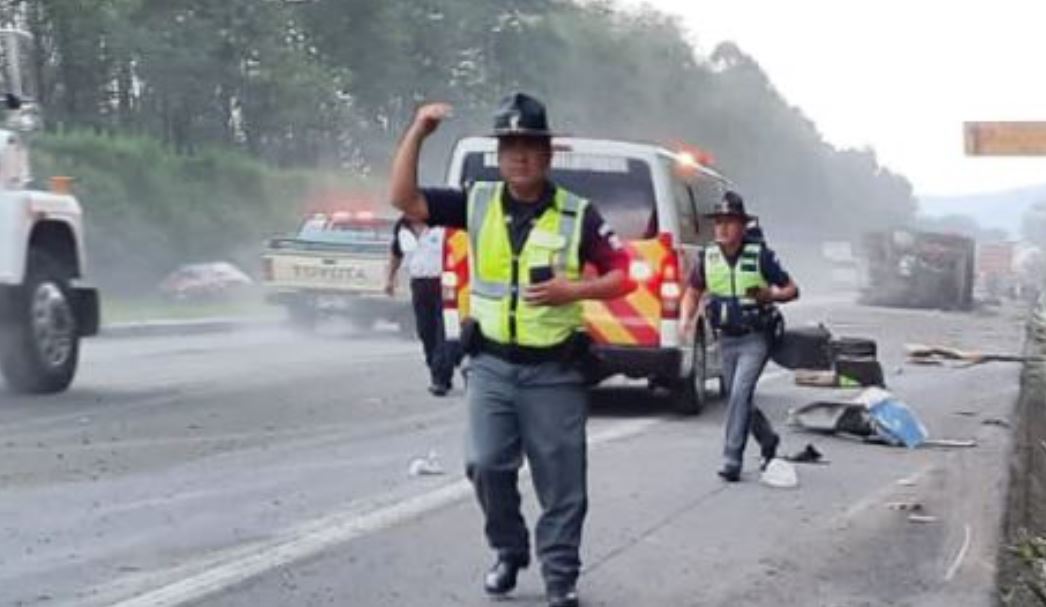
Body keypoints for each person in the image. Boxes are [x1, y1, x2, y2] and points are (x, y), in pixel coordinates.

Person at [388, 93, 629, 607]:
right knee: (484, 465)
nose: (519, 156)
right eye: (510, 146)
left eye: (529, 146)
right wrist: (418, 132)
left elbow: (623, 274)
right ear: (500, 156)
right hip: (491, 367)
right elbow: (404, 200)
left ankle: (560, 577)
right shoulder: (475, 202)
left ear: (547, 155)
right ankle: (509, 550)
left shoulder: (577, 214)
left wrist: (576, 291)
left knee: (562, 483)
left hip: (555, 371)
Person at [681, 191, 799, 482]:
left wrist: (770, 294)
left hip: (755, 337)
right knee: (738, 398)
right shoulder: (707, 257)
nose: (722, 228)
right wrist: (686, 318)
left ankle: (731, 458)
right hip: (725, 339)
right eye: (719, 222)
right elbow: (693, 290)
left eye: (730, 222)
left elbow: (792, 289)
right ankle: (767, 439)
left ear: (742, 226)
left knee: (739, 393)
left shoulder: (760, 255)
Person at [385, 215, 454, 396]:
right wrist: (390, 279)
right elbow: (396, 253)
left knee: (443, 331)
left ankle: (440, 378)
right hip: (419, 284)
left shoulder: (443, 226)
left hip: (444, 283)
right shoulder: (403, 228)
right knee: (425, 331)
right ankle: (436, 368)